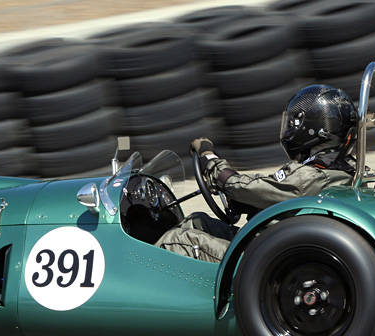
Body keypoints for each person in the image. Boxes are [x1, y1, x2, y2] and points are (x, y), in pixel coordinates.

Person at [154, 84, 360, 262]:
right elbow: (267, 189)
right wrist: (244, 201)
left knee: (176, 240)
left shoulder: (311, 177)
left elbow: (243, 186)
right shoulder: (340, 170)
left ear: (313, 129)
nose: (290, 130)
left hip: (260, 257)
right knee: (196, 221)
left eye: (295, 124)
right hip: (271, 244)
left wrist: (210, 159)